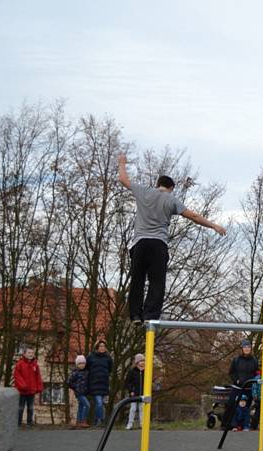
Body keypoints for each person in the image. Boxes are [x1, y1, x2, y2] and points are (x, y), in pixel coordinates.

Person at [117, 154, 226, 324]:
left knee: (137, 280)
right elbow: (194, 216)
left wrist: (122, 163)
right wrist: (214, 225)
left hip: (139, 244)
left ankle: (135, 315)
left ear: (158, 184)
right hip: (158, 245)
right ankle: (150, 315)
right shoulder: (171, 199)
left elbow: (123, 179)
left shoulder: (143, 191)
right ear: (171, 187)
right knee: (157, 281)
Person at [224, 339, 259, 430]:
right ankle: (228, 425)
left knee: (246, 407)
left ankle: (245, 425)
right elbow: (231, 373)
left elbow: (257, 373)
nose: (247, 349)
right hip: (237, 387)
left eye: (248, 347)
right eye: (245, 347)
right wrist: (237, 380)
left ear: (251, 349)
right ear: (242, 348)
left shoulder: (254, 360)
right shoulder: (236, 360)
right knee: (232, 404)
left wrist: (254, 381)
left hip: (248, 388)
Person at [86, 340, 113, 427]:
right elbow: (87, 368)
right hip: (94, 383)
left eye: (104, 346)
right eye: (101, 346)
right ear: (97, 347)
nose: (102, 348)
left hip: (104, 383)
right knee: (99, 402)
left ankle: (98, 420)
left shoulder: (108, 358)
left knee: (101, 403)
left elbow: (110, 369)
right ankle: (99, 420)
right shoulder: (91, 357)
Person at [13, 347, 42, 428]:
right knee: (20, 407)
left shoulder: (35, 365)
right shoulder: (20, 364)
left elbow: (38, 377)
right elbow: (17, 376)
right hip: (22, 391)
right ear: (24, 354)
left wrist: (39, 387)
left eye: (32, 353)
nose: (31, 354)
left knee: (30, 407)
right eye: (29, 353)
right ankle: (18, 423)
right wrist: (23, 385)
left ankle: (29, 423)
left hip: (31, 390)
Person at [67, 355, 90, 428]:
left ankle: (78, 422)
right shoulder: (75, 372)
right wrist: (76, 387)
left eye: (83, 363)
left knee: (81, 406)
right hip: (79, 393)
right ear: (77, 364)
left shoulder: (86, 372)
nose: (82, 365)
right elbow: (69, 382)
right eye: (80, 363)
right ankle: (83, 421)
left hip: (84, 392)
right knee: (87, 405)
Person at [124, 354, 146, 430]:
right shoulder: (132, 371)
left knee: (142, 409)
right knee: (133, 409)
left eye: (144, 361)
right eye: (141, 361)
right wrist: (131, 390)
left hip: (143, 393)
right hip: (134, 393)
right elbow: (127, 382)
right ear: (137, 362)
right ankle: (130, 424)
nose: (143, 362)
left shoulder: (146, 372)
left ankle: (142, 424)